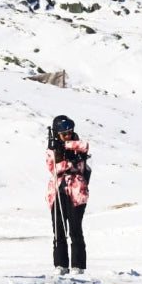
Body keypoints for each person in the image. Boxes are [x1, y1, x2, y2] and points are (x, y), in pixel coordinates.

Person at [46, 115, 90, 274]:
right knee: (58, 228)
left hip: (77, 191)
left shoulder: (76, 143)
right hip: (57, 191)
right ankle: (61, 264)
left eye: (70, 132)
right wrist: (63, 157)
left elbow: (84, 147)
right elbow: (53, 168)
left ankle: (78, 265)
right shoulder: (52, 148)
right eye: (64, 133)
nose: (68, 135)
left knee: (75, 228)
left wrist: (65, 149)